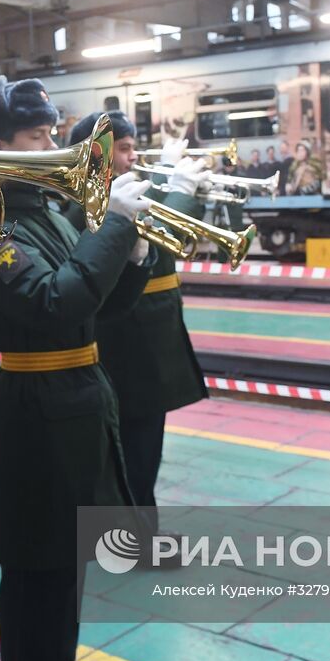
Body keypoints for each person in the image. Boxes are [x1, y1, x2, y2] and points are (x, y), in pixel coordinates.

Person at [0, 76, 155, 661]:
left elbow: (97, 307)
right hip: (34, 405)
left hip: (76, 395)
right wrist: (114, 227)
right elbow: (52, 303)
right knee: (36, 571)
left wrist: (136, 254)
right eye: (39, 137)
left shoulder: (43, 211)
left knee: (66, 565)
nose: (57, 147)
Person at [60, 113, 208, 534]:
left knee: (144, 448)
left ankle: (138, 526)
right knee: (134, 449)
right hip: (126, 343)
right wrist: (177, 189)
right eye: (122, 149)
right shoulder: (88, 202)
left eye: (131, 148)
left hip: (148, 340)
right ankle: (134, 534)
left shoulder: (121, 192)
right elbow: (163, 244)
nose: (131, 158)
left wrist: (170, 183)